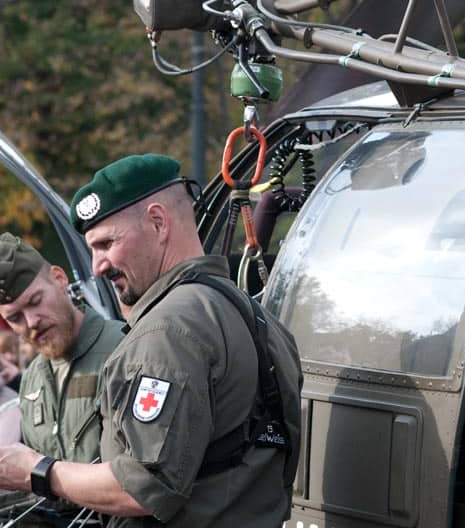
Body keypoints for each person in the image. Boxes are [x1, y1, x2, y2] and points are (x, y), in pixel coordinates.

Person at [0, 154, 302, 528]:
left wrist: (38, 471)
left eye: (106, 243)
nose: (97, 266)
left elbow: (141, 486)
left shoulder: (167, 331)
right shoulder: (255, 314)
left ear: (158, 222)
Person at [0, 233, 124, 461]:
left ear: (59, 279)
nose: (31, 322)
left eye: (35, 301)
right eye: (15, 318)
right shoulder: (32, 380)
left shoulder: (124, 348)